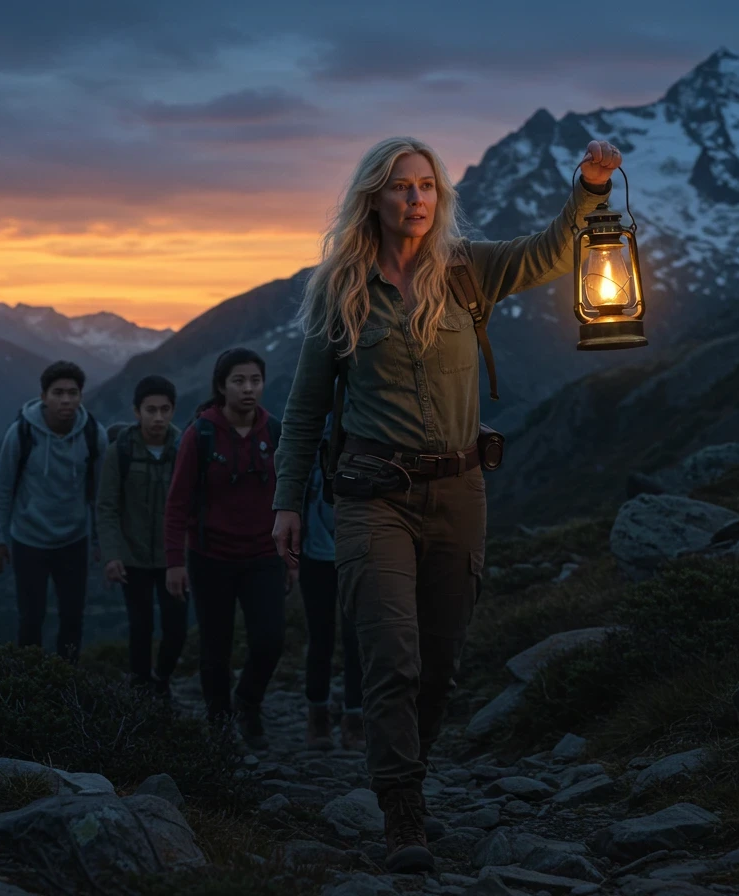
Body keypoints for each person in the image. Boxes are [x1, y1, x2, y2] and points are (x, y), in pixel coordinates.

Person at [271, 136, 623, 872]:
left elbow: (553, 251)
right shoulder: (343, 289)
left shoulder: (469, 271)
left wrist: (590, 185)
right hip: (373, 496)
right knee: (391, 655)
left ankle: (410, 770)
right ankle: (402, 810)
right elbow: (305, 411)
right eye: (402, 187)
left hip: (461, 490)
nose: (417, 200)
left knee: (439, 662)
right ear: (374, 197)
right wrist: (287, 504)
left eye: (427, 186)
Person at [163, 348, 294, 749]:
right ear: (221, 386)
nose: (248, 389)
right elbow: (178, 503)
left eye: (255, 380)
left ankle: (248, 700)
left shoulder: (274, 434)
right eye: (239, 381)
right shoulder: (200, 434)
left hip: (264, 556)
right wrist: (174, 564)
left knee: (270, 640)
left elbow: (291, 499)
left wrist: (292, 558)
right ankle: (219, 725)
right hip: (210, 557)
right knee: (215, 649)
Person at [0, 360, 108, 662]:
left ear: (81, 396)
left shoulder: (94, 435)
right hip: (29, 541)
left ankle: (65, 685)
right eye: (58, 393)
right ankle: (30, 685)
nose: (66, 400)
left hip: (73, 541)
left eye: (73, 392)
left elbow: (101, 495)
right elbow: (1, 487)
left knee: (72, 618)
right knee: (31, 618)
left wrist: (100, 541)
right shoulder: (22, 434)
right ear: (43, 396)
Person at [96, 375, 186, 698]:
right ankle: (141, 693)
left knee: (176, 629)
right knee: (141, 627)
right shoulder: (119, 451)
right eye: (151, 410)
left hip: (172, 558)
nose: (158, 417)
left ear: (173, 410)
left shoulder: (183, 448)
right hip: (132, 557)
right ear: (137, 411)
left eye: (164, 409)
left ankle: (161, 677)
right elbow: (106, 507)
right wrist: (111, 554)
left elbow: (195, 505)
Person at [299, 410, 365, 751]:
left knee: (356, 638)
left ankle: (354, 717)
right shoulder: (312, 434)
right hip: (317, 552)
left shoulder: (371, 426)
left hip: (357, 549)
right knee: (321, 636)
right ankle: (319, 716)